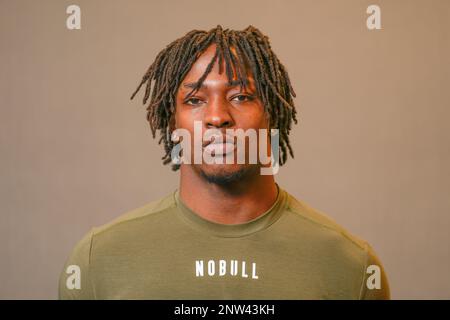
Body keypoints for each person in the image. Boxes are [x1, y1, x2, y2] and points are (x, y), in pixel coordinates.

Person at [58, 25, 390, 299]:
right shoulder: (97, 261)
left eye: (241, 97)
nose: (217, 117)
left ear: (272, 113)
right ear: (172, 122)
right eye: (195, 99)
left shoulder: (351, 267)